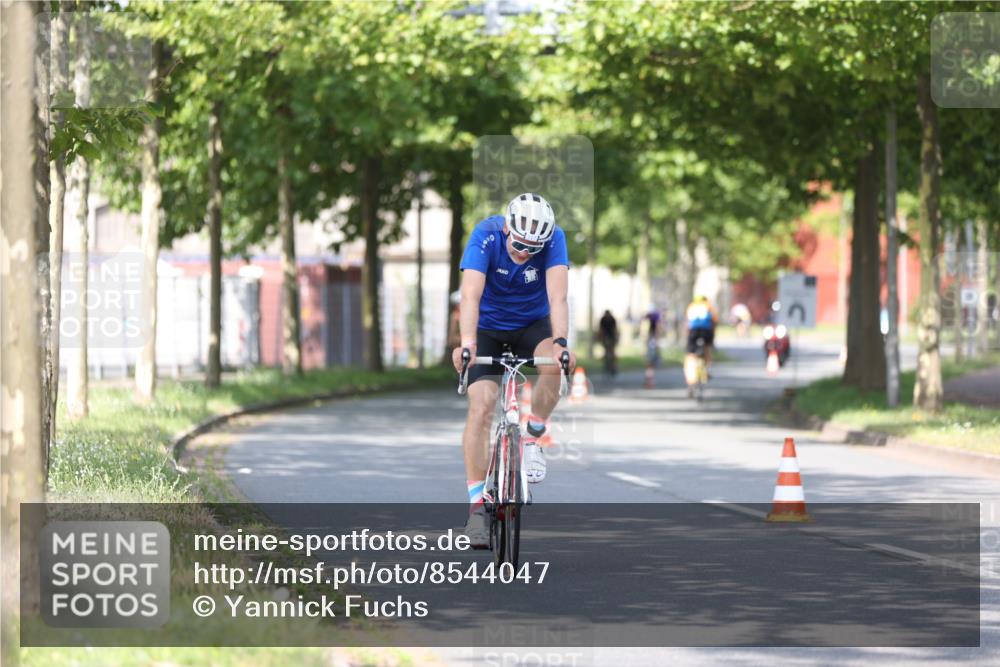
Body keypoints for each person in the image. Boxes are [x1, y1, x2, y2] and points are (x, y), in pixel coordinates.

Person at [451, 192, 575, 547]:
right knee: (482, 407)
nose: (524, 253)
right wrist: (467, 344)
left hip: (532, 326)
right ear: (507, 229)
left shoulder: (554, 238)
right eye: (519, 245)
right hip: (486, 329)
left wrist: (561, 344)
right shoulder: (486, 235)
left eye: (533, 249)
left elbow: (558, 298)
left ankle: (533, 437)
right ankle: (477, 508)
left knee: (557, 364)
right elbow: (470, 296)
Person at [685, 295, 718, 371]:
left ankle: (691, 371)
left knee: (691, 352)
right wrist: (713, 334)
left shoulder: (691, 306)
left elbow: (687, 321)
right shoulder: (708, 306)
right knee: (707, 348)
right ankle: (707, 368)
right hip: (706, 330)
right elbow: (714, 320)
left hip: (694, 330)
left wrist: (687, 334)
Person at [598, 309, 619, 377]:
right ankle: (607, 365)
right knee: (606, 351)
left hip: (611, 336)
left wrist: (615, 337)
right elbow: (601, 329)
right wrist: (601, 337)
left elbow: (614, 329)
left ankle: (613, 367)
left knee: (612, 352)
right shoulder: (603, 319)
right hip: (605, 336)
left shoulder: (612, 319)